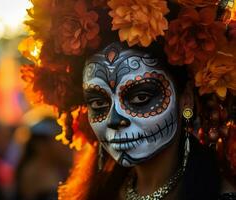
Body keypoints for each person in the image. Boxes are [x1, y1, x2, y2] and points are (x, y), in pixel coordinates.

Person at [19, 0, 236, 199]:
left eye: (141, 97)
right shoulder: (96, 193)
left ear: (186, 99)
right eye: (98, 103)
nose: (114, 119)